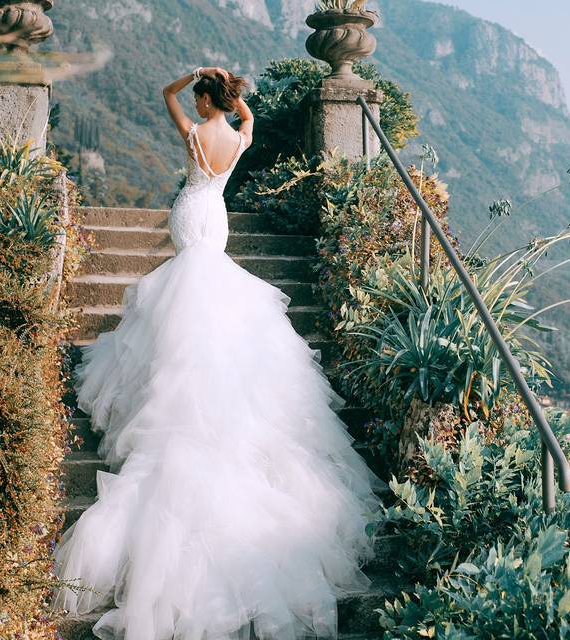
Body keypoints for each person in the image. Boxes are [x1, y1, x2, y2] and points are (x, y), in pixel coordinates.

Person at [51, 67, 380, 640]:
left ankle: (171, 383)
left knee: (178, 301)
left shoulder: (195, 133)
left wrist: (189, 77)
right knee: (212, 300)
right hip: (218, 217)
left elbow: (162, 92)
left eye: (201, 94)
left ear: (203, 98)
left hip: (190, 213)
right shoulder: (238, 136)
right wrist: (229, 90)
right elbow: (248, 117)